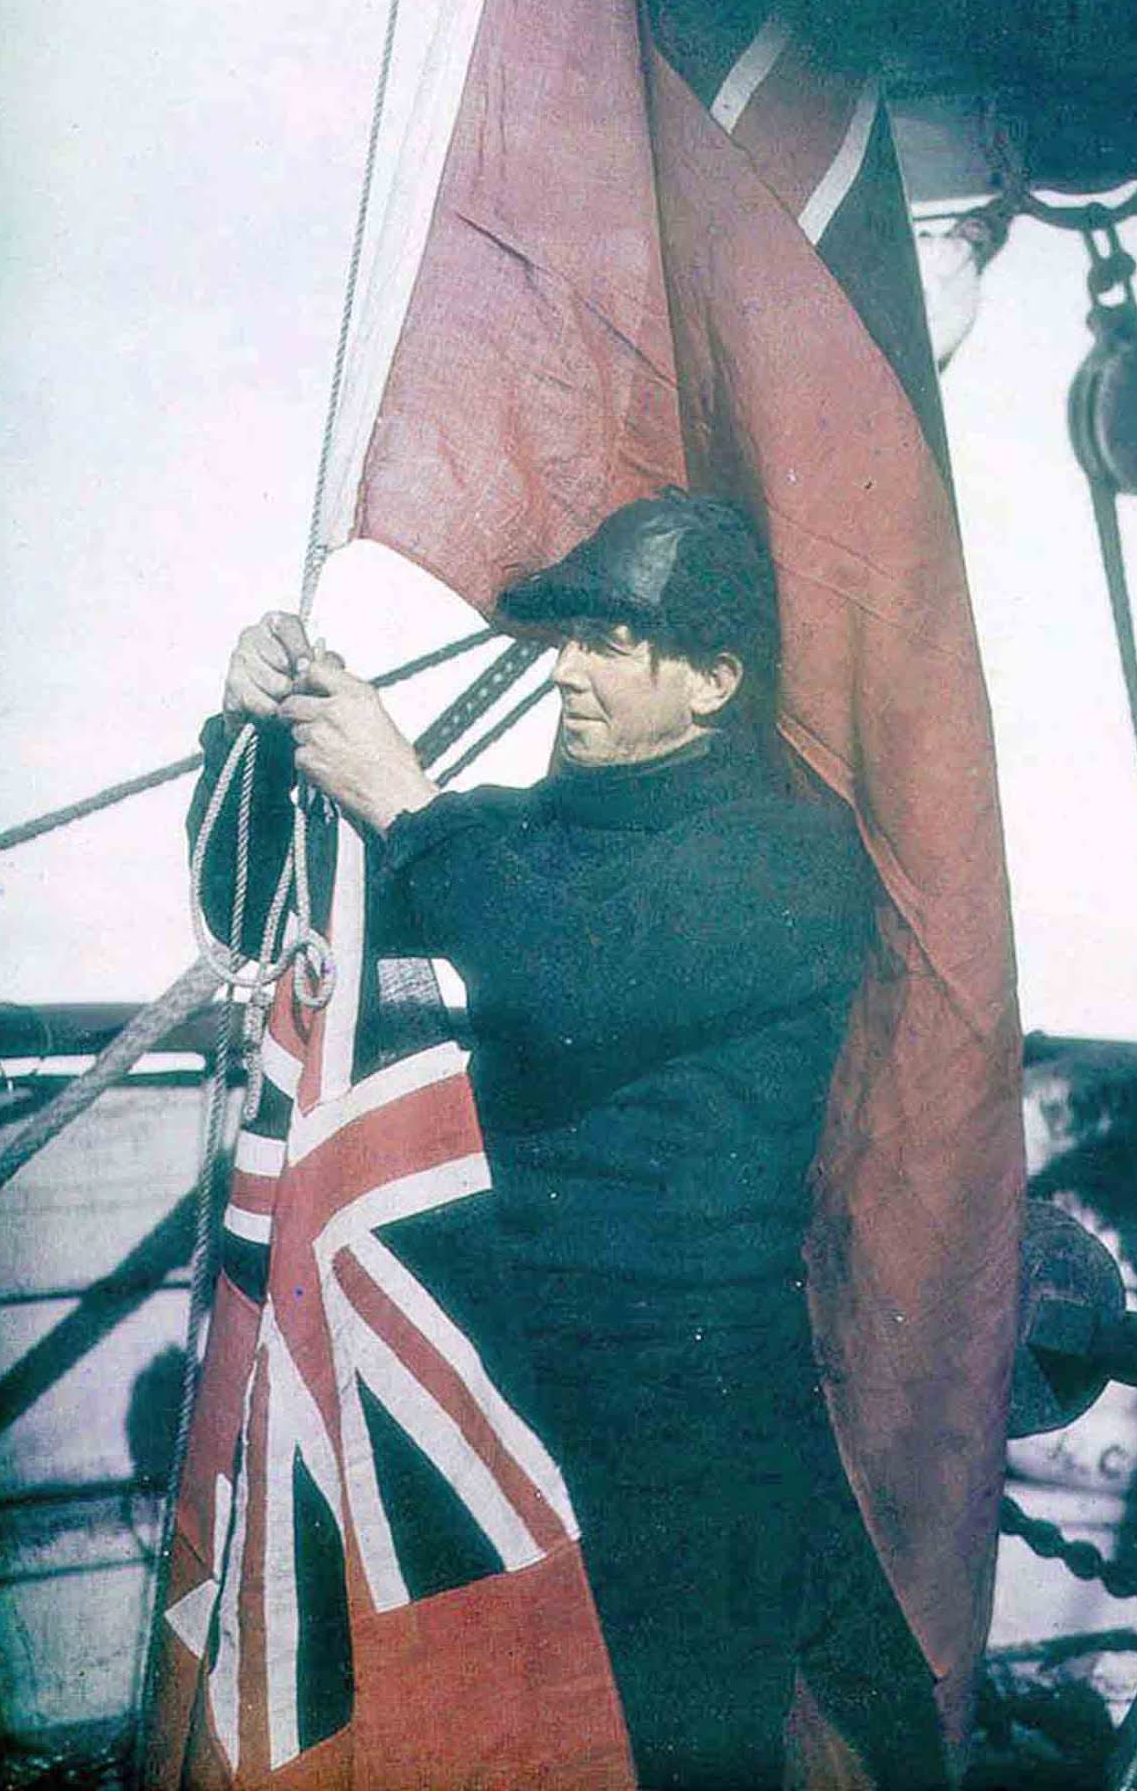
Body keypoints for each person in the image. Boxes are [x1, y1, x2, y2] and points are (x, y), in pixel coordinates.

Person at [201, 491, 947, 1789]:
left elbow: (572, 976)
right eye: (570, 640)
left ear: (716, 679)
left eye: (611, 642)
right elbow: (265, 906)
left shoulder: (789, 860)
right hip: (511, 1395)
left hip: (698, 1427)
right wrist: (254, 737)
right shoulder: (515, 841)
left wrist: (407, 804)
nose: (569, 670)